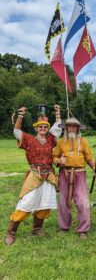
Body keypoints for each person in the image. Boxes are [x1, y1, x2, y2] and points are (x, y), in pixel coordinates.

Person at [5, 105, 62, 245]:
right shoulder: (29, 139)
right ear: (36, 128)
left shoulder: (50, 139)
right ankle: (11, 232)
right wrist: (20, 116)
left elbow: (58, 127)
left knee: (44, 205)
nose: (43, 129)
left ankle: (37, 228)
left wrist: (58, 113)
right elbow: (17, 131)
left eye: (45, 127)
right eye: (40, 127)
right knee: (26, 203)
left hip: (48, 176)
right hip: (34, 176)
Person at [53, 117, 95, 239]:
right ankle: (64, 226)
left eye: (74, 126)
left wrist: (93, 166)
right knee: (63, 201)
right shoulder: (60, 142)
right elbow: (54, 157)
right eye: (69, 126)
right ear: (66, 128)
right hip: (64, 173)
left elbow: (89, 157)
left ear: (77, 128)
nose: (71, 128)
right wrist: (58, 161)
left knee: (83, 201)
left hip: (79, 173)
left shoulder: (83, 141)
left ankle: (83, 229)